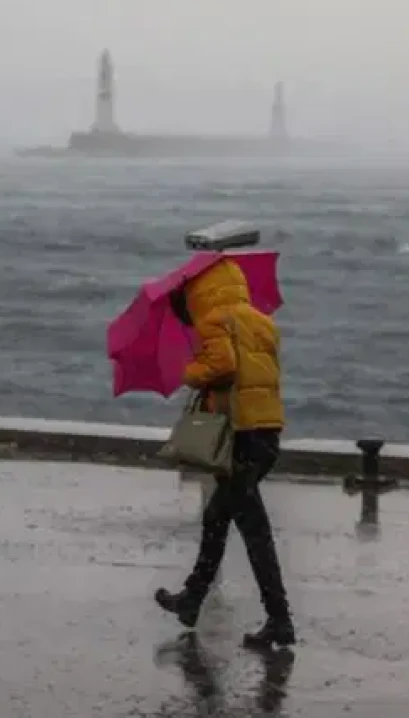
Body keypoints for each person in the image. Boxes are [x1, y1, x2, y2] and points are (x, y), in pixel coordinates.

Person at [154, 258, 295, 648]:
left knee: (252, 531)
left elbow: (224, 366)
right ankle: (193, 599)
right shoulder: (261, 321)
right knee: (221, 517)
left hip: (241, 436)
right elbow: (258, 373)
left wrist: (190, 372)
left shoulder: (214, 320)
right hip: (265, 431)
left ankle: (279, 620)